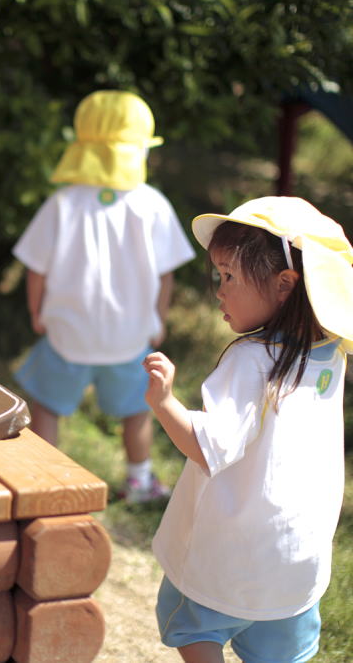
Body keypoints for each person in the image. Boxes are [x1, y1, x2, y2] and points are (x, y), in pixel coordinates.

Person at [144, 196, 352, 663]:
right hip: (297, 559)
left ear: (284, 285)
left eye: (230, 276)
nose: (219, 290)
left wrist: (163, 403)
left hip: (229, 556)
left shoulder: (250, 359)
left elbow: (206, 446)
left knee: (195, 630)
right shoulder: (331, 356)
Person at [11, 90, 195, 503]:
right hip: (130, 336)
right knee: (137, 409)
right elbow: (166, 276)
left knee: (47, 405)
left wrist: (36, 311)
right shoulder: (152, 205)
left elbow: (35, 267)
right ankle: (139, 480)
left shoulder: (63, 203)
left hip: (67, 330)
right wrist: (159, 318)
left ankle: (46, 479)